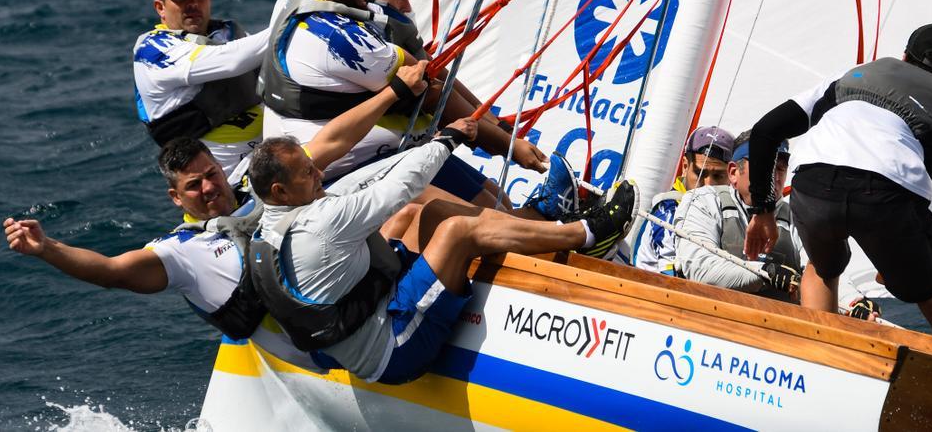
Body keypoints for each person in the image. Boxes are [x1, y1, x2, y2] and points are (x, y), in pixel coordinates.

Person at [3, 62, 433, 364]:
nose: (210, 188)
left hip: (348, 296)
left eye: (211, 174)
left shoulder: (255, 183)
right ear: (176, 198)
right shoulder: (182, 252)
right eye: (194, 186)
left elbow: (331, 142)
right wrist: (48, 249)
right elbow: (114, 271)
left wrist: (396, 91)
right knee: (417, 216)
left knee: (414, 208)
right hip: (325, 345)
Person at [245, 128, 638, 385]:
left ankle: (537, 223)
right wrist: (447, 140)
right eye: (306, 173)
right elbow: (401, 183)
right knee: (454, 231)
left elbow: (376, 190)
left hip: (365, 323)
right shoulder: (320, 223)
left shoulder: (268, 231)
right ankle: (583, 234)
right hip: (395, 350)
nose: (318, 173)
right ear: (279, 191)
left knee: (421, 213)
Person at [742, 22, 932, 364]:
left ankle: (819, 363)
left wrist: (764, 210)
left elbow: (765, 131)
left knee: (821, 268)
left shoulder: (849, 76)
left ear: (904, 55)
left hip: (814, 183)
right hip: (887, 198)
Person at [260, 0, 539, 210]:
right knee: (495, 214)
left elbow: (433, 70)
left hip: (400, 154)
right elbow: (430, 90)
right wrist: (509, 147)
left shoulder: (301, 2)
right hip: (361, 170)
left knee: (502, 202)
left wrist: (500, 127)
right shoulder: (339, 38)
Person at [133, 0, 268, 176]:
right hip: (220, 179)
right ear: (160, 8)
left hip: (268, 154)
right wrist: (291, 19)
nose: (192, 3)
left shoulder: (230, 33)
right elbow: (232, 60)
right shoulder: (152, 50)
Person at [672, 129, 800, 300]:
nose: (774, 177)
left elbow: (825, 273)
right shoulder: (703, 201)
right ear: (733, 172)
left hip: (780, 323)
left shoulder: (798, 217)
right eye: (765, 167)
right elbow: (700, 268)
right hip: (709, 319)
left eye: (780, 168)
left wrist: (848, 303)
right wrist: (764, 273)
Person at [631, 125, 736, 274]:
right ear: (685, 166)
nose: (708, 185)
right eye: (700, 173)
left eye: (718, 176)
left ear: (732, 175)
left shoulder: (731, 213)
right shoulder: (668, 212)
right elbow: (671, 280)